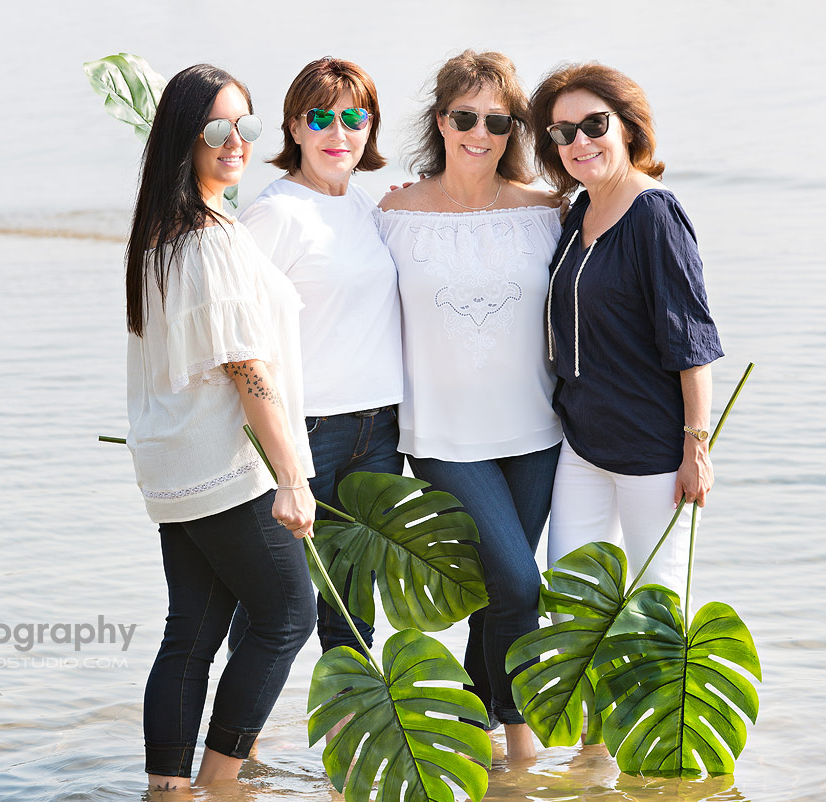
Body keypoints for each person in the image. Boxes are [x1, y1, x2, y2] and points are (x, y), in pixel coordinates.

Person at [124, 63, 316, 790]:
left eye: (246, 124)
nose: (235, 141)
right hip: (224, 466)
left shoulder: (161, 235)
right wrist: (291, 475)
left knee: (193, 635)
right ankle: (221, 783)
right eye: (216, 128)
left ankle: (169, 791)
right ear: (184, 138)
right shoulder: (206, 238)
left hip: (176, 466)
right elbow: (246, 368)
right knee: (286, 617)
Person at [376, 50, 564, 762]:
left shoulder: (547, 211)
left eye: (496, 119)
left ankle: (467, 723)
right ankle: (521, 749)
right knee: (518, 581)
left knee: (496, 592)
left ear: (514, 127)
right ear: (440, 119)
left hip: (537, 433)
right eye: (464, 117)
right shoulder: (394, 213)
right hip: (444, 440)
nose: (478, 132)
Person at [229, 57, 403, 656]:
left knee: (352, 610)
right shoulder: (275, 213)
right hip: (309, 430)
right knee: (276, 607)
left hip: (380, 429)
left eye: (354, 117)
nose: (339, 133)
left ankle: (346, 746)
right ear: (295, 128)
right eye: (320, 117)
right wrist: (284, 464)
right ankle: (237, 744)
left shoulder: (369, 207)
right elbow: (234, 336)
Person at [530, 63, 723, 593]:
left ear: (628, 128)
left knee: (657, 613)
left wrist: (695, 448)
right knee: (571, 610)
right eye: (563, 133)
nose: (579, 141)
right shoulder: (579, 209)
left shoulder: (654, 214)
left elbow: (692, 342)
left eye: (594, 125)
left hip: (654, 455)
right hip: (584, 446)